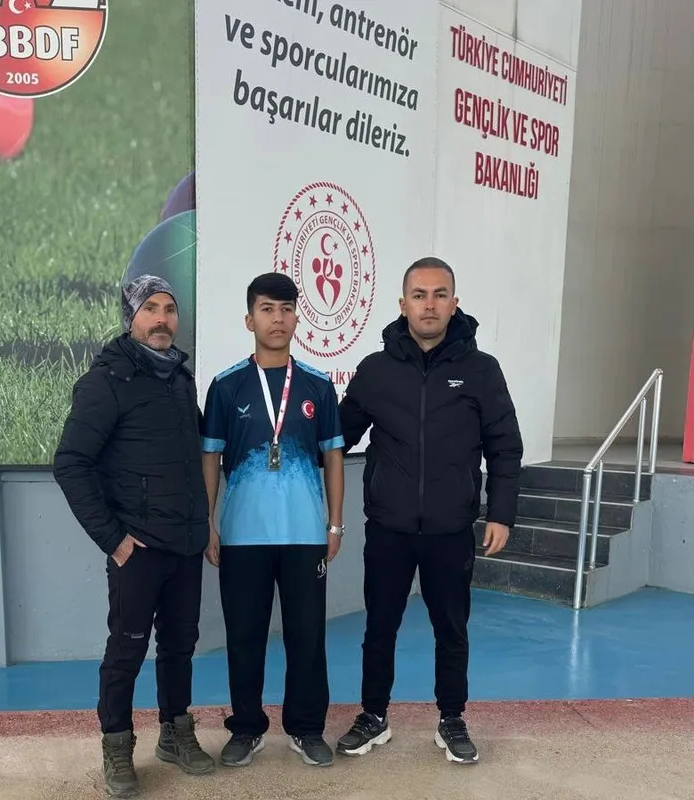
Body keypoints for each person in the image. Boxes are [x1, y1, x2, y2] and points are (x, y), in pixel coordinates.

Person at [335, 257, 523, 765]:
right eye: (419, 295)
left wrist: (501, 512)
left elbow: (504, 446)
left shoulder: (481, 371)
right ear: (403, 304)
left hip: (450, 529)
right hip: (389, 528)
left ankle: (452, 718)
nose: (430, 305)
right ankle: (373, 715)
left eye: (440, 295)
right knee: (380, 628)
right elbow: (336, 437)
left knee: (451, 630)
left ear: (454, 303)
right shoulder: (375, 371)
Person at [53, 275, 214, 799]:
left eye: (169, 309)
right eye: (150, 309)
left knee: (180, 646)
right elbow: (71, 463)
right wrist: (114, 540)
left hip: (185, 545)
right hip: (137, 549)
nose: (162, 319)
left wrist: (202, 525)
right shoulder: (106, 381)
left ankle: (175, 733)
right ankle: (117, 746)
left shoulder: (180, 379)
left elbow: (196, 455)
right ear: (131, 318)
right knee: (126, 651)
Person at [200, 272, 345, 768]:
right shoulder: (226, 386)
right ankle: (246, 728)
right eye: (267, 309)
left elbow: (333, 458)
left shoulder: (318, 386)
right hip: (243, 535)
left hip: (305, 534)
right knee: (244, 638)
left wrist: (335, 525)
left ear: (297, 318)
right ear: (250, 320)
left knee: (308, 638)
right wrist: (208, 523)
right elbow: (210, 459)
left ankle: (306, 728)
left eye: (285, 309)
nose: (277, 319)